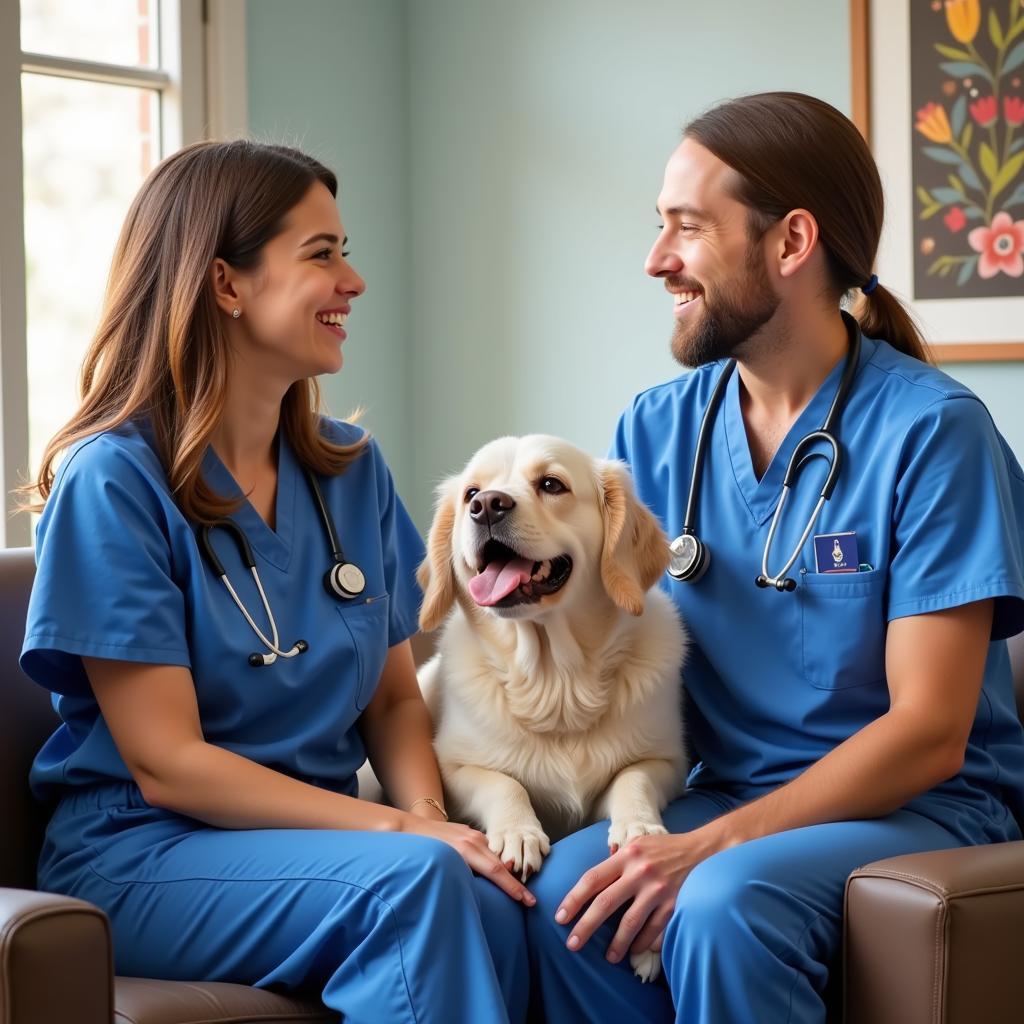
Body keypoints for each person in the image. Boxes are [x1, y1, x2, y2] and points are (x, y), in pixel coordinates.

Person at [526, 92, 1024, 1023]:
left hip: (920, 807)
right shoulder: (657, 427)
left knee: (723, 902)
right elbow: (598, 636)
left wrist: (713, 846)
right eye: (657, 227)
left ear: (792, 243)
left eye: (686, 228)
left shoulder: (933, 434)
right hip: (720, 790)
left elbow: (929, 731)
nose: (655, 259)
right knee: (573, 890)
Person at [20, 140, 532, 1024]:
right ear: (226, 284)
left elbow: (395, 703)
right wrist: (406, 834)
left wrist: (426, 813)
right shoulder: (114, 480)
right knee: (414, 883)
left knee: (495, 893)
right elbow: (167, 764)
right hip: (147, 852)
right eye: (323, 254)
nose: (355, 281)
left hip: (321, 841)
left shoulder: (351, 470)